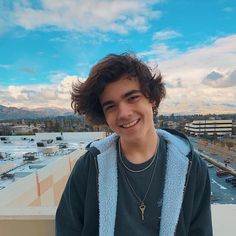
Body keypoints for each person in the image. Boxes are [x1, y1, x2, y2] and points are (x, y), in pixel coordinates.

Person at [56, 53, 212, 236]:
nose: (123, 113)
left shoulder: (191, 167)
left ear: (151, 100)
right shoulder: (90, 167)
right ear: (103, 116)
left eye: (132, 98)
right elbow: (67, 229)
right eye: (111, 106)